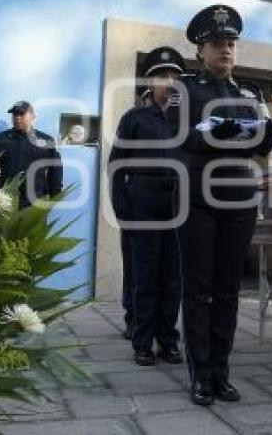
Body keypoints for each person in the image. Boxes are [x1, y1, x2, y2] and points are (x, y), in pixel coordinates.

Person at [175, 4, 272, 406]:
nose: (226, 50)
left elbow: (253, 148)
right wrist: (213, 135)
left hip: (239, 197)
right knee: (198, 288)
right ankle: (200, 374)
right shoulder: (184, 90)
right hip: (199, 199)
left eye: (231, 43)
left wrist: (266, 137)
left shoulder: (249, 93)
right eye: (218, 44)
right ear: (200, 50)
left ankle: (221, 372)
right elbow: (178, 140)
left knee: (228, 290)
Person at [108, 47, 186, 358]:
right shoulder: (135, 118)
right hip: (143, 201)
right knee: (145, 273)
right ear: (150, 82)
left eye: (175, 77)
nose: (170, 82)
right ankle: (142, 342)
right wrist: (120, 204)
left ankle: (168, 338)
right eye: (163, 76)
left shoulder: (185, 119)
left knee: (173, 275)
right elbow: (116, 164)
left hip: (177, 203)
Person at [0, 101, 63, 208]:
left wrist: (55, 194)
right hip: (3, 201)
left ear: (33, 116)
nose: (17, 117)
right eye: (15, 114)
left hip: (35, 202)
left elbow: (55, 169)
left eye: (21, 114)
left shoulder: (46, 140)